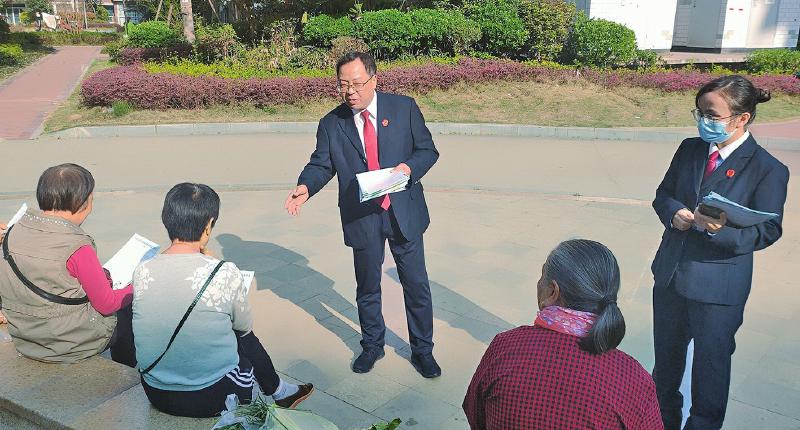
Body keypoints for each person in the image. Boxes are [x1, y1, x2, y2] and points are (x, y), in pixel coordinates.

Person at [284, 52, 441, 377]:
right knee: (368, 286)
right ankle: (372, 345)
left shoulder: (404, 108)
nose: (350, 91)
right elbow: (321, 164)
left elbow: (428, 150)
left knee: (416, 285)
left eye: (356, 83)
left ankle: (422, 350)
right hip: (362, 213)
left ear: (374, 79)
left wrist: (409, 168)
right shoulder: (332, 123)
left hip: (402, 210)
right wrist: (306, 186)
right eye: (343, 85)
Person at [651, 75, 789, 429]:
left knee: (709, 375)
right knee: (665, 368)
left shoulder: (768, 169)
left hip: (718, 289)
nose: (703, 121)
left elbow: (768, 230)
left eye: (712, 115)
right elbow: (664, 194)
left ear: (742, 118)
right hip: (670, 276)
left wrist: (717, 231)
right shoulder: (690, 149)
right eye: (699, 112)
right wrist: (674, 213)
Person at [133, 183, 313, 418]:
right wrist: (216, 265)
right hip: (212, 397)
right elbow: (244, 327)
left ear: (166, 220)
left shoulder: (143, 270)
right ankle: (279, 390)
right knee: (240, 335)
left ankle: (280, 390)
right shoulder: (224, 272)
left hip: (156, 392)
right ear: (208, 226)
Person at [463, 239, 663, 429]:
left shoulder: (504, 347)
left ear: (552, 292)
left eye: (542, 276)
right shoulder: (633, 380)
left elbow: (475, 415)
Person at [0, 163, 134, 364]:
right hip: (65, 343)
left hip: (25, 337)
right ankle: (124, 374)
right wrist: (138, 286)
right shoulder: (77, 246)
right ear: (82, 202)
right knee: (126, 309)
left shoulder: (12, 232)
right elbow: (107, 305)